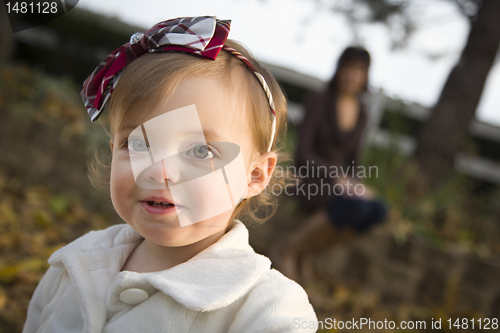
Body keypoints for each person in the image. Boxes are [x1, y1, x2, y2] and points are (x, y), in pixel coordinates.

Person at [23, 17, 317, 333]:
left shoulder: (264, 309)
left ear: (255, 175)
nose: (160, 171)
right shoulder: (73, 263)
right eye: (137, 143)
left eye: (200, 151)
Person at [271, 46, 387, 283]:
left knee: (376, 210)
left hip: (337, 186)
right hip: (308, 180)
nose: (351, 75)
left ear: (365, 76)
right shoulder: (319, 100)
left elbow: (354, 160)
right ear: (339, 69)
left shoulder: (363, 113)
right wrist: (337, 177)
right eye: (347, 68)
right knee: (353, 206)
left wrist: (356, 185)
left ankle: (305, 254)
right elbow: (303, 152)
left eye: (358, 70)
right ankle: (286, 250)